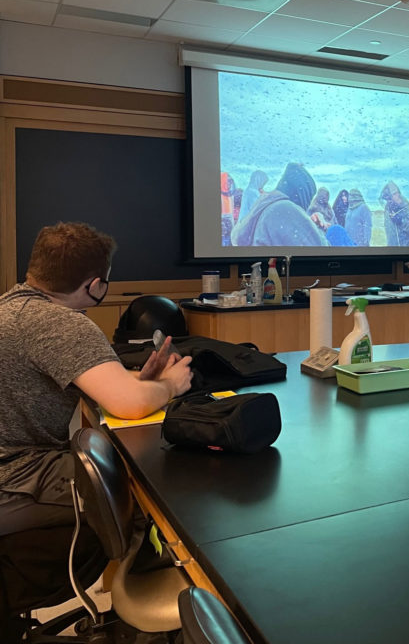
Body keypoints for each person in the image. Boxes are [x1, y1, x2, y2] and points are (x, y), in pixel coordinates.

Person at [0, 222, 194, 537]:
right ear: (95, 286)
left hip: (10, 473)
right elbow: (130, 405)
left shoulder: (12, 307)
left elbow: (101, 385)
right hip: (17, 478)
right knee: (147, 485)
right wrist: (171, 384)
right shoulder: (61, 322)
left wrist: (139, 382)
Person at [231, 163, 327, 247]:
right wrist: (319, 229)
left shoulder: (267, 205)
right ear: (303, 195)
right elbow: (320, 251)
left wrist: (310, 224)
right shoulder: (286, 209)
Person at [379, 181, 409, 247]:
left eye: (397, 193)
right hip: (393, 252)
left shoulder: (408, 207)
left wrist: (401, 221)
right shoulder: (387, 210)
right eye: (387, 200)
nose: (397, 195)